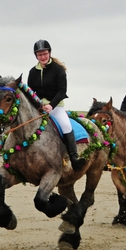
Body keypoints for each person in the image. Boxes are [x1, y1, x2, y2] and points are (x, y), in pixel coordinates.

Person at [27, 39, 86, 171]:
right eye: (40, 55)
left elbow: (62, 91)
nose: (42, 57)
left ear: (49, 53)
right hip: (38, 107)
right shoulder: (32, 72)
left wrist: (51, 105)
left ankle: (74, 158)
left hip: (55, 106)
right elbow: (30, 91)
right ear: (36, 56)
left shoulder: (58, 70)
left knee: (65, 125)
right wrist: (36, 105)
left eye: (45, 54)